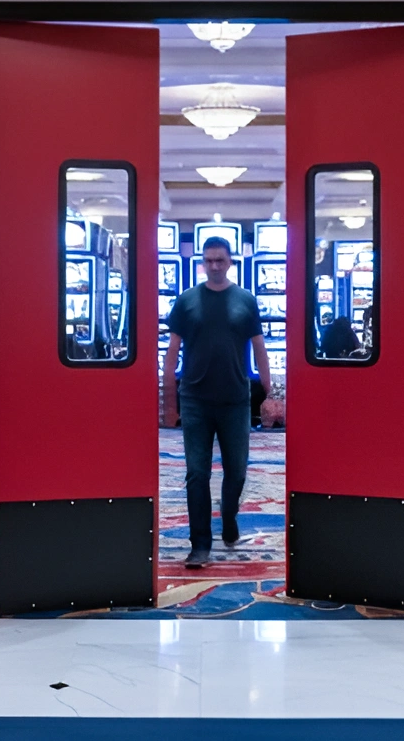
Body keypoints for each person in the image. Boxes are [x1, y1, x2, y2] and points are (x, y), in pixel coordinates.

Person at [162, 237, 271, 569]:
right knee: (196, 473)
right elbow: (172, 351)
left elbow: (260, 349)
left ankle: (229, 515)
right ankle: (200, 544)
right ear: (202, 262)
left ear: (230, 262)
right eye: (208, 260)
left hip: (236, 401)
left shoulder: (245, 301)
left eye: (220, 260)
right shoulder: (186, 301)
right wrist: (169, 400)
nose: (214, 266)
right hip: (194, 399)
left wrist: (270, 394)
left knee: (236, 471)